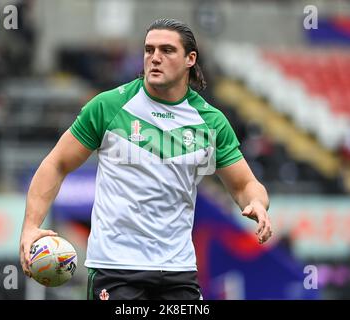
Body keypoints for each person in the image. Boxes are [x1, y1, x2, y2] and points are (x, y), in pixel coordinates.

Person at [19, 18, 272, 300]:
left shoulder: (210, 122)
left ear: (190, 59)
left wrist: (258, 204)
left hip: (179, 271)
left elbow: (244, 185)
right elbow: (57, 164)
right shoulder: (108, 106)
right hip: (115, 269)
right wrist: (31, 226)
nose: (155, 58)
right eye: (149, 50)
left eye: (166, 50)